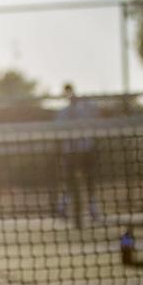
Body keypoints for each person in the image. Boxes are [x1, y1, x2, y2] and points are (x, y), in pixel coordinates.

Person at [55, 84, 101, 229]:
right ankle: (62, 208)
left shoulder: (85, 109)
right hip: (70, 152)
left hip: (85, 150)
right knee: (69, 182)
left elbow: (97, 111)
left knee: (90, 180)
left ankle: (93, 210)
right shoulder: (62, 113)